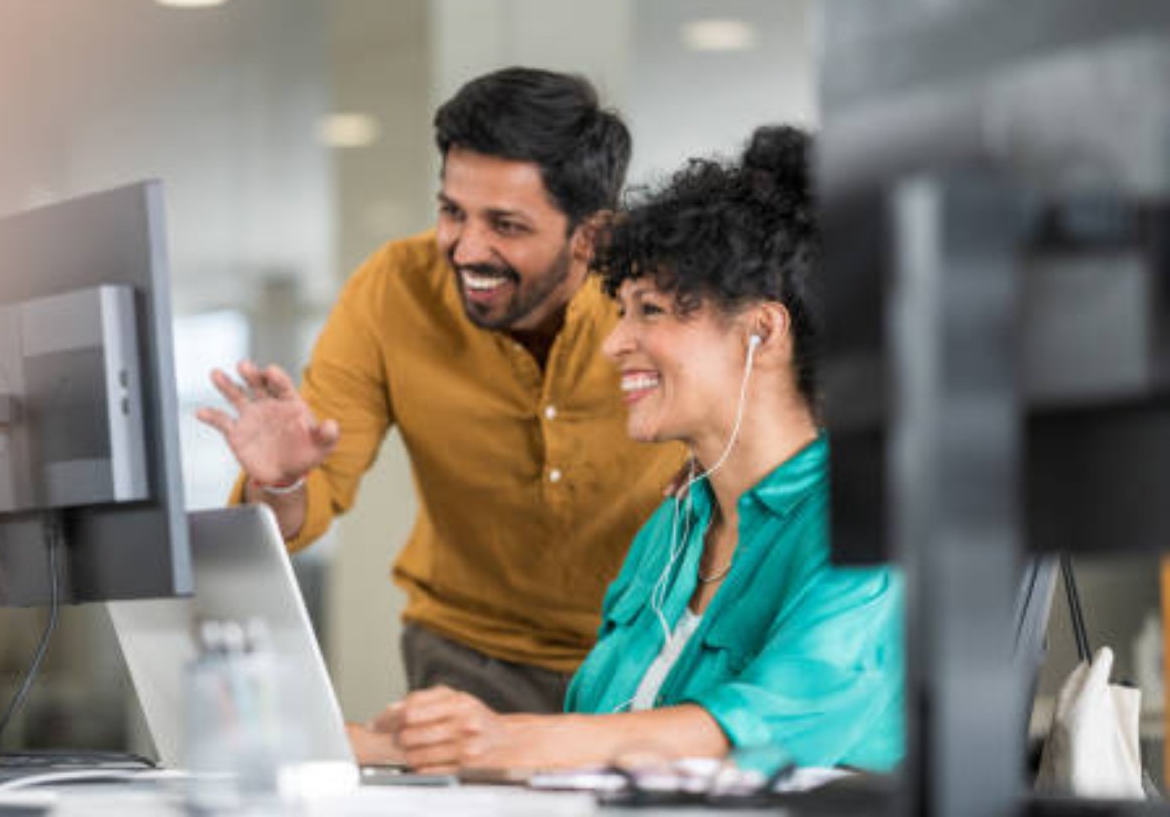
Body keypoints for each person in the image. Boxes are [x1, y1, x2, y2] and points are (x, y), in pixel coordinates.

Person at [370, 126, 905, 772]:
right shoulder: (677, 525)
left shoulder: (866, 519)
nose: (613, 343)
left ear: (762, 331)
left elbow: (762, 726)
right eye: (621, 311)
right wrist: (376, 744)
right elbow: (598, 730)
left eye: (649, 311)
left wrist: (501, 740)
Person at [195, 67, 687, 714]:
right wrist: (281, 481)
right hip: (469, 661)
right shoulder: (393, 289)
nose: (466, 249)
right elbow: (308, 503)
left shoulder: (671, 298)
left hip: (653, 654)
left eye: (506, 225)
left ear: (589, 236)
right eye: (453, 212)